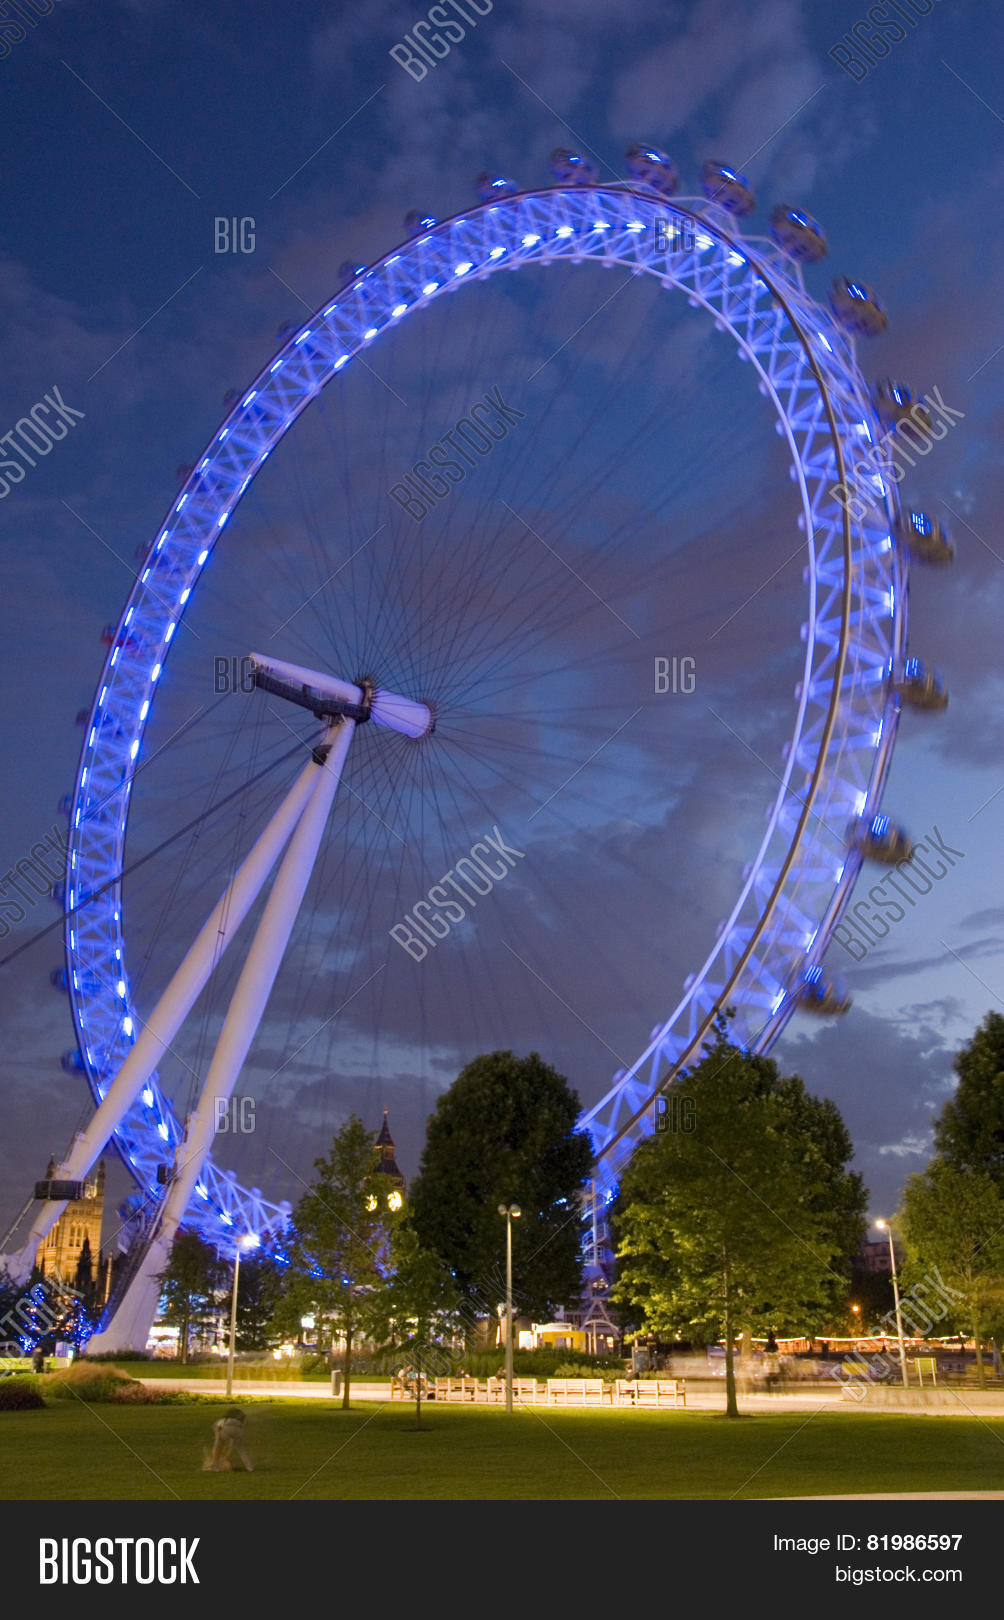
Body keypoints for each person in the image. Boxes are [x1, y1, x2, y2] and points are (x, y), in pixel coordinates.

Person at [205, 1407, 253, 1472]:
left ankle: (215, 1467)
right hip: (239, 1431)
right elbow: (232, 1445)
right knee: (241, 1450)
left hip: (225, 1429)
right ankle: (249, 1467)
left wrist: (218, 1444)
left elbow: (217, 1432)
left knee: (217, 1447)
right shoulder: (239, 1422)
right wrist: (226, 1456)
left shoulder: (221, 1421)